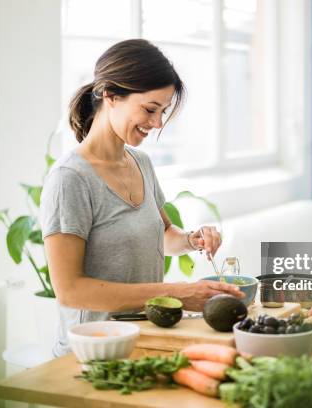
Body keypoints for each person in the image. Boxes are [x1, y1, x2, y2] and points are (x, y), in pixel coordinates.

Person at [41, 39, 243, 357]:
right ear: (110, 95)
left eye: (162, 112)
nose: (158, 123)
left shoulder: (141, 163)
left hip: (144, 340)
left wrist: (192, 239)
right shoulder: (70, 179)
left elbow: (164, 235)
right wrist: (178, 293)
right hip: (93, 352)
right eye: (150, 109)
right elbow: (70, 291)